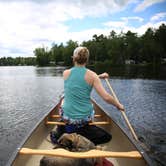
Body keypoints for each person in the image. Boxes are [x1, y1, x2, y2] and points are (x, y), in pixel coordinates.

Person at [50, 46, 124, 145]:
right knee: (107, 137)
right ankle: (81, 139)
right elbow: (106, 97)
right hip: (84, 120)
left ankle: (63, 130)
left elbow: (79, 79)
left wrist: (99, 76)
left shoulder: (65, 73)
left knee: (63, 96)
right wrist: (118, 105)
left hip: (66, 117)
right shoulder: (92, 76)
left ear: (73, 58)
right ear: (87, 59)